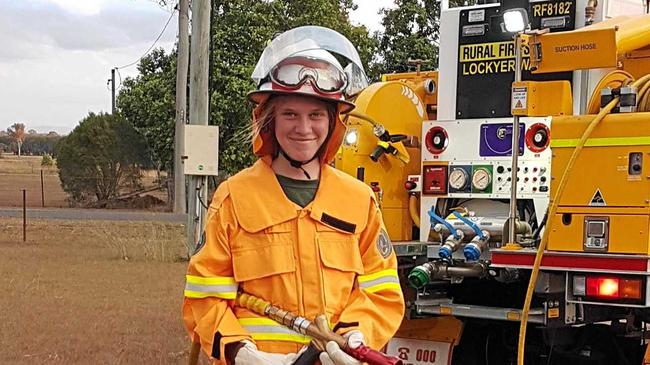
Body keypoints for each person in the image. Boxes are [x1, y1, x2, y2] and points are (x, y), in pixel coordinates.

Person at [182, 26, 405, 365]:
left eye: (316, 115)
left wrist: (358, 335)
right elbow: (204, 297)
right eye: (290, 114)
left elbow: (382, 291)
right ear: (268, 120)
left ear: (333, 123)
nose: (304, 128)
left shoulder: (359, 201)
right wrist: (240, 352)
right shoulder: (233, 198)